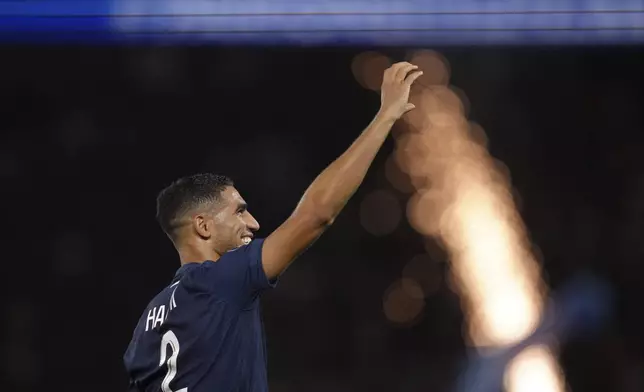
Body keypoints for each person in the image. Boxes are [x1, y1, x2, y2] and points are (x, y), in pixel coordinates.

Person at [123, 62, 423, 392]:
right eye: (239, 212)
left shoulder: (147, 323)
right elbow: (317, 214)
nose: (253, 223)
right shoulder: (221, 280)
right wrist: (386, 116)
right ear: (203, 226)